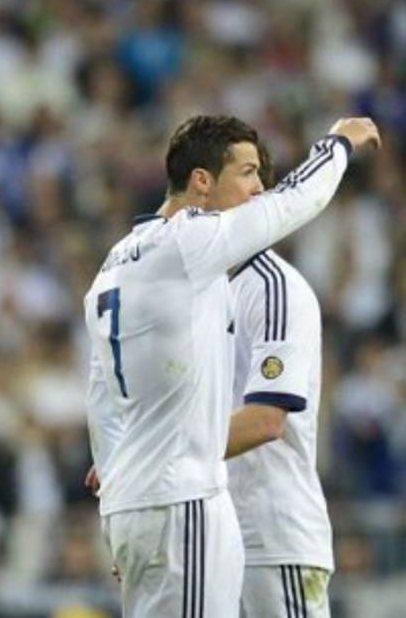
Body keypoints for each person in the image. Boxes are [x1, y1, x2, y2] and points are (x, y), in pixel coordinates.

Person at [83, 115, 379, 617]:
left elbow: (102, 398)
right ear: (201, 181)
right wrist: (339, 144)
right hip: (188, 501)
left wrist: (122, 476)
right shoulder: (189, 242)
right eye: (246, 173)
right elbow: (294, 202)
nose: (260, 190)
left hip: (156, 506)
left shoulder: (114, 266)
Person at [223, 150, 333, 617]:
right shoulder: (201, 289)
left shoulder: (274, 288)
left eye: (254, 176)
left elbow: (267, 420)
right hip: (214, 536)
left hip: (273, 538)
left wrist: (155, 455)